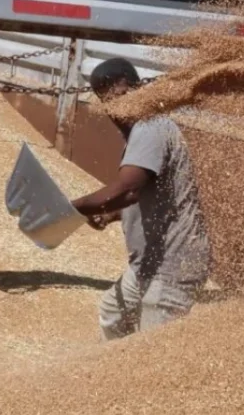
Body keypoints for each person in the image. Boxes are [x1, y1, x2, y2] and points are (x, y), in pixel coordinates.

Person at [70, 57, 209, 340]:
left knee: (153, 348)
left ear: (139, 89)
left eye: (122, 96)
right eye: (107, 101)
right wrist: (111, 214)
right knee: (113, 312)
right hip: (147, 264)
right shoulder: (141, 132)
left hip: (172, 265)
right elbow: (146, 195)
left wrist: (70, 208)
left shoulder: (150, 127)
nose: (117, 108)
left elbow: (128, 189)